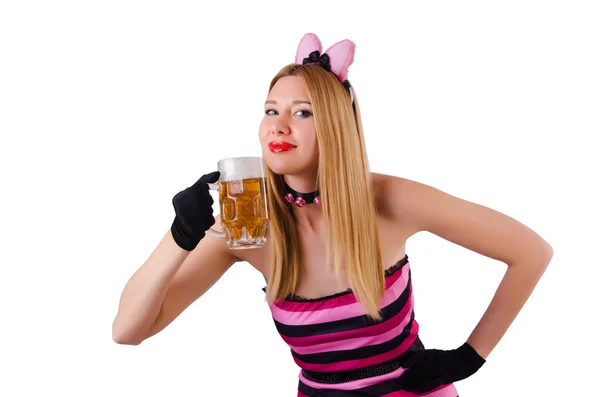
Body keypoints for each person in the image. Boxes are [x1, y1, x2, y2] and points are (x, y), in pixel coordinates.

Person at [112, 33, 553, 396]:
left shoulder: (390, 200)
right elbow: (129, 331)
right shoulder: (248, 226)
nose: (278, 126)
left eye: (301, 113)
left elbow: (531, 252)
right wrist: (179, 236)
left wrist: (468, 357)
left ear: (336, 126)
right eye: (271, 111)